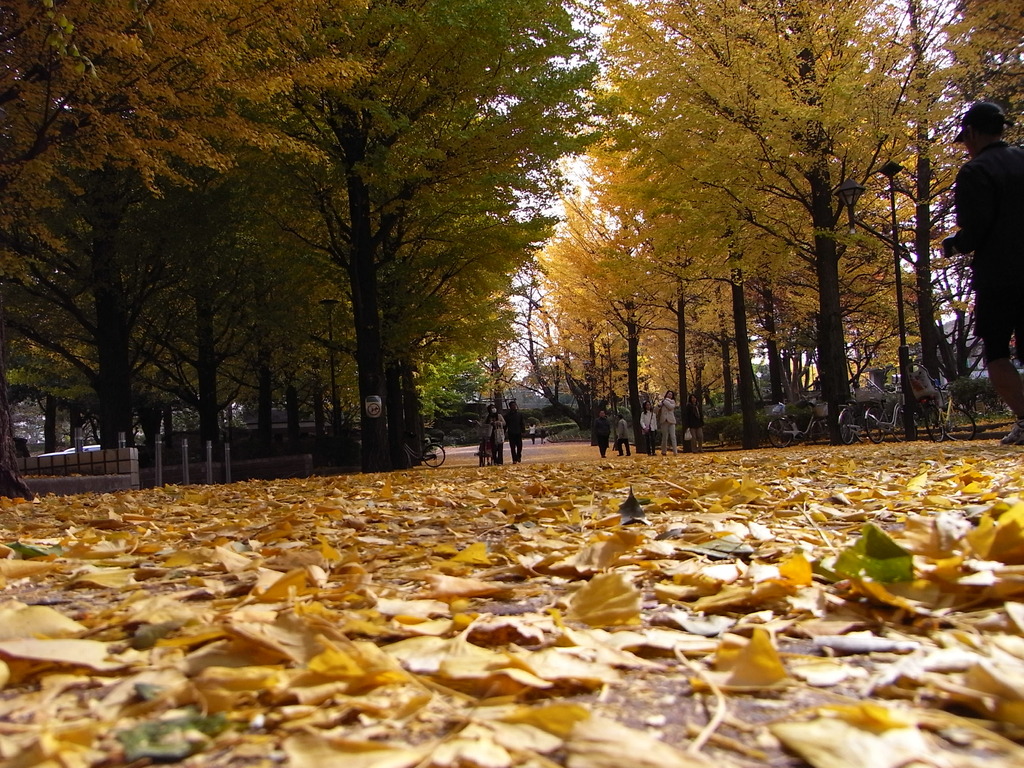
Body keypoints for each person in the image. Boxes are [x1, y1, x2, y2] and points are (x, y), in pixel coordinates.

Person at [943, 101, 1024, 445]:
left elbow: (977, 228)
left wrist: (954, 244)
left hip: (1001, 274)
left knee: (996, 351)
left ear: (973, 133)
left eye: (965, 139)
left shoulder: (975, 171)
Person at [659, 390, 678, 455]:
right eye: (668, 394)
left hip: (671, 420)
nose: (669, 395)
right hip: (664, 420)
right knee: (664, 437)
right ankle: (663, 451)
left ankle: (675, 452)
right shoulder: (662, 402)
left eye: (671, 394)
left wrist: (665, 401)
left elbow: (670, 407)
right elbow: (658, 407)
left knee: (673, 436)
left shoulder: (673, 402)